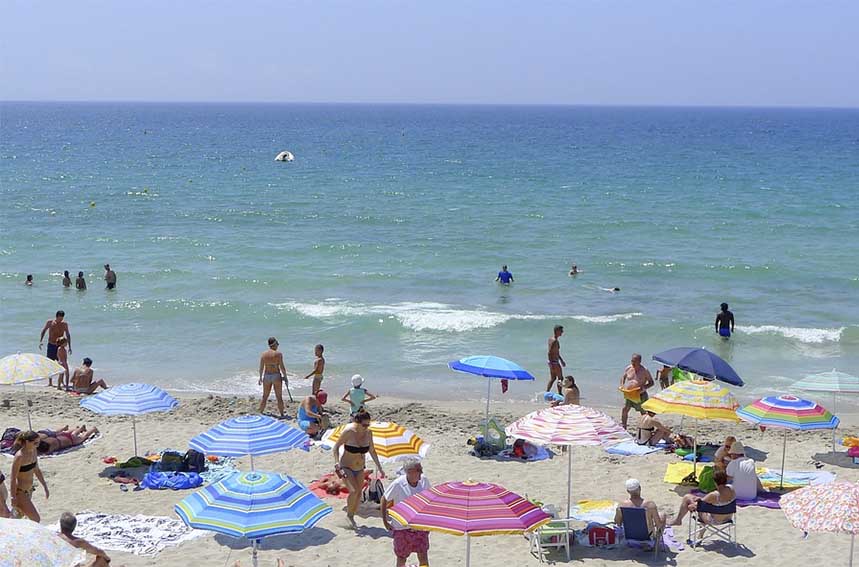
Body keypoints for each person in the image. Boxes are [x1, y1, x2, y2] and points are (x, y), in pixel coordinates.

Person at [332, 410, 385, 528]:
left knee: (358, 494)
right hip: (345, 466)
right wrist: (336, 463)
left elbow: (372, 451)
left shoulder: (369, 433)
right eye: (364, 424)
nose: (366, 427)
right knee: (353, 491)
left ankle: (351, 515)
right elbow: (335, 448)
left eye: (368, 424)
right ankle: (349, 516)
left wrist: (380, 468)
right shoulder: (349, 432)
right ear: (357, 423)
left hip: (360, 468)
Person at [382, 459, 431, 567]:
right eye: (419, 470)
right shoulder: (398, 484)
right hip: (402, 528)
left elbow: (429, 500)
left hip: (420, 526)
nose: (421, 472)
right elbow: (384, 499)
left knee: (423, 555)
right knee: (402, 558)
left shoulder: (424, 481)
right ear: (410, 472)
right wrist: (385, 521)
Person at [670, 469, 735, 526]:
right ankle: (700, 534)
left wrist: (692, 503)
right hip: (728, 518)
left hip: (714, 521)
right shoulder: (731, 488)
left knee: (687, 498)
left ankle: (678, 520)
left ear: (715, 482)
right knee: (704, 505)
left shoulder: (714, 495)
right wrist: (700, 499)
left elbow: (695, 506)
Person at [10, 430, 49, 521]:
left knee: (18, 517)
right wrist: (13, 497)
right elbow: (13, 478)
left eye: (38, 443)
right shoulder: (19, 456)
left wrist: (45, 486)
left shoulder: (34, 451)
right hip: (20, 492)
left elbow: (36, 470)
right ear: (27, 442)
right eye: (35, 443)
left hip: (29, 490)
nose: (37, 445)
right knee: (35, 519)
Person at [619, 354, 654, 429]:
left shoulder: (644, 370)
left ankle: (646, 427)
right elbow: (623, 377)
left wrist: (644, 388)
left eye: (635, 361)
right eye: (632, 361)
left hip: (640, 395)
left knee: (644, 412)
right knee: (625, 409)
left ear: (640, 361)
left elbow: (651, 382)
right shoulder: (628, 368)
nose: (633, 363)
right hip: (629, 394)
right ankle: (624, 426)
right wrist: (622, 385)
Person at [258, 337, 287, 417]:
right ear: (274, 344)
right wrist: (285, 377)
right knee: (279, 397)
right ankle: (281, 414)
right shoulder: (278, 354)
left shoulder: (264, 354)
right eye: (277, 343)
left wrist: (260, 377)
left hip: (267, 376)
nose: (278, 345)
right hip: (276, 375)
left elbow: (261, 368)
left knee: (265, 396)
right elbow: (282, 367)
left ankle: (261, 412)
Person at [546, 325, 566, 393]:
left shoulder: (551, 339)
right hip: (553, 362)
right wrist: (551, 364)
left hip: (553, 361)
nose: (562, 332)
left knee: (553, 378)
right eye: (561, 330)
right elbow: (549, 352)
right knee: (560, 378)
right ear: (557, 331)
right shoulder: (554, 341)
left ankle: (547, 392)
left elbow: (556, 352)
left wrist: (561, 360)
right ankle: (560, 393)